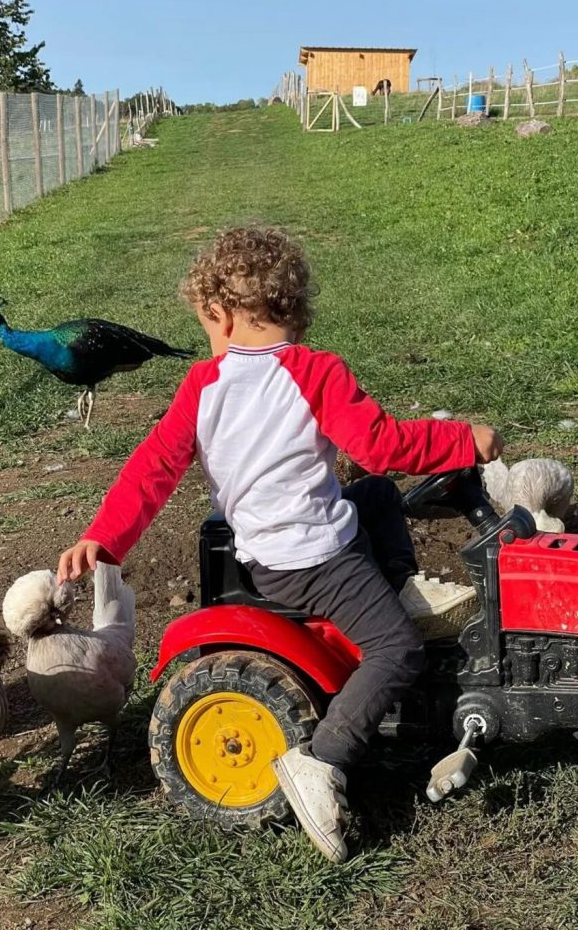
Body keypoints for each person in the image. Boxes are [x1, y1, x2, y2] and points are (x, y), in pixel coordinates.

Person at [57, 226, 503, 863]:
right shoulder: (316, 372)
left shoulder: (202, 387)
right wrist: (467, 439)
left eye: (205, 323)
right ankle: (322, 760)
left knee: (374, 496)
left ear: (222, 313)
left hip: (266, 553)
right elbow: (382, 444)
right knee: (397, 649)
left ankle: (400, 584)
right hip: (317, 559)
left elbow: (153, 467)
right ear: (291, 308)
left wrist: (104, 537)